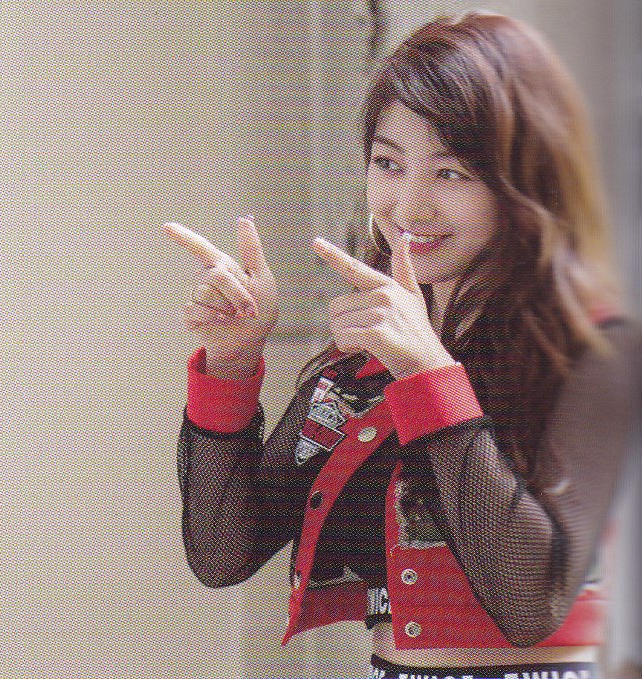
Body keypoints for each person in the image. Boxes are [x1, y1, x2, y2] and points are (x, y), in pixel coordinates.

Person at [164, 10, 642, 679]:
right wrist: (232, 361)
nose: (409, 207)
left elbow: (532, 601)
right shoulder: (360, 367)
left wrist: (427, 374)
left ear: (523, 181)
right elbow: (223, 554)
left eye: (451, 173)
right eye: (388, 164)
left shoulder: (597, 351)